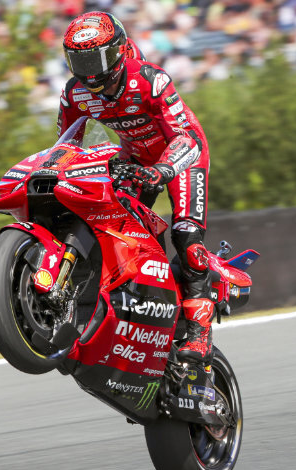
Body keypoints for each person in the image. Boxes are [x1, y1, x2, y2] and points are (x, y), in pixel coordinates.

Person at [58, 12, 215, 364]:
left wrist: (165, 167)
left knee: (186, 235)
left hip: (181, 156)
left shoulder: (150, 80)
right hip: (135, 161)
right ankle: (151, 302)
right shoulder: (74, 95)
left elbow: (187, 138)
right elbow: (66, 147)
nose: (89, 71)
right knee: (117, 226)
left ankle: (199, 331)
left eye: (95, 58)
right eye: (79, 60)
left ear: (117, 52)